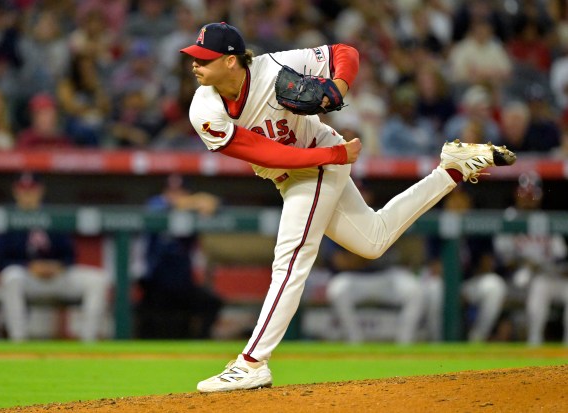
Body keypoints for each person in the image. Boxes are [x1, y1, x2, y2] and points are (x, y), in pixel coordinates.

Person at [179, 22, 516, 392]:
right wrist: (335, 153)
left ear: (230, 62)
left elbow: (346, 53)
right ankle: (451, 169)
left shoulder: (275, 67)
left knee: (290, 258)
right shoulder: (204, 107)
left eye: (203, 58)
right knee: (373, 240)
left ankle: (252, 362)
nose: (195, 65)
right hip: (306, 164)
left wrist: (336, 88)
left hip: (318, 163)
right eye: (194, 58)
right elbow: (259, 151)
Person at [0, 173, 111, 342]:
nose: (27, 195)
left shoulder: (53, 215)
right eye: (23, 190)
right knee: (10, 277)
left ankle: (88, 342)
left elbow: (70, 254)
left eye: (31, 190)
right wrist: (29, 266)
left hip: (57, 276)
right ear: (15, 192)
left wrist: (57, 266)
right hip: (27, 277)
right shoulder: (7, 217)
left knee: (98, 280)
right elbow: (1, 261)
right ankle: (18, 341)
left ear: (40, 191)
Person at [133, 175, 223, 339]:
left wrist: (210, 203)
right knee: (153, 321)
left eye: (181, 192)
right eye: (171, 191)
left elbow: (218, 206)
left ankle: (200, 346)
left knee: (211, 303)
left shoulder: (191, 213)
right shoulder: (156, 205)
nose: (175, 195)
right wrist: (193, 202)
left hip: (183, 285)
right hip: (155, 286)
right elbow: (159, 206)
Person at [494, 172, 568, 346]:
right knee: (536, 282)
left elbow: (560, 255)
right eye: (524, 194)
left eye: (532, 194)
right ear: (516, 194)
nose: (528, 199)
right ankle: (534, 343)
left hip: (548, 276)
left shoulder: (545, 219)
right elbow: (503, 259)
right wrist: (525, 262)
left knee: (544, 283)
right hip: (518, 279)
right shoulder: (509, 218)